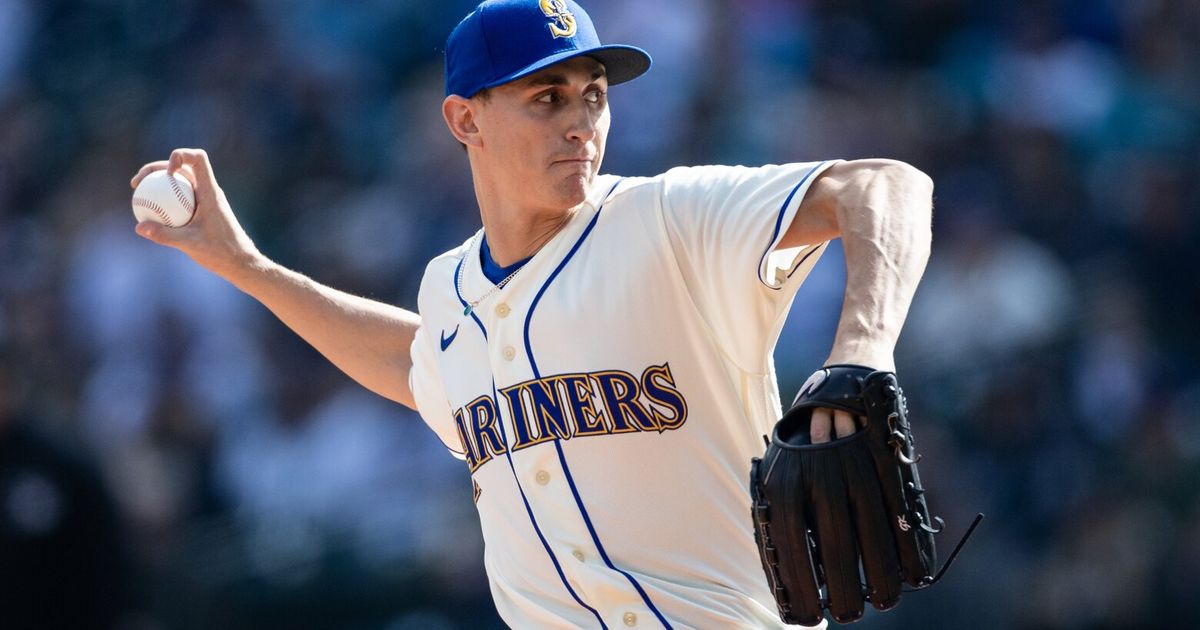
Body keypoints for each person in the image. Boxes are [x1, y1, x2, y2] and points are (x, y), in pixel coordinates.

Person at [131, 0, 932, 627]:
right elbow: (422, 368)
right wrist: (248, 268)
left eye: (593, 95)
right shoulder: (449, 292)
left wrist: (860, 351)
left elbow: (885, 187)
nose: (580, 122)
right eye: (546, 97)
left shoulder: (666, 219)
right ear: (465, 119)